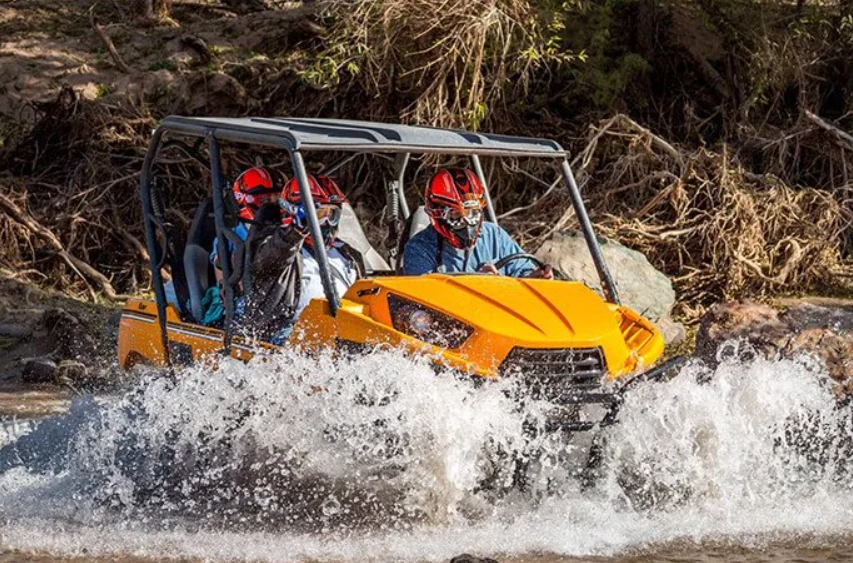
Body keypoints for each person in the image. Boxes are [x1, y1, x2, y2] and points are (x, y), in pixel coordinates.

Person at [242, 173, 361, 343]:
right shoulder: (281, 247)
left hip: (344, 328)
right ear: (297, 211)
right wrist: (295, 232)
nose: (326, 221)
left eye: (332, 214)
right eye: (320, 214)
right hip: (287, 332)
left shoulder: (345, 253)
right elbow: (265, 261)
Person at [402, 168, 553, 278]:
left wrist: (535, 276)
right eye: (456, 215)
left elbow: (521, 267)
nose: (468, 222)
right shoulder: (419, 250)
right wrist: (476, 283)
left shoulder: (494, 235)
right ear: (438, 214)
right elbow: (425, 302)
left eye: (472, 213)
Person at [202, 166, 283, 325]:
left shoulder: (287, 234)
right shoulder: (230, 237)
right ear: (244, 200)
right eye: (265, 201)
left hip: (285, 301)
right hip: (245, 308)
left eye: (278, 200)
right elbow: (227, 281)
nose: (273, 208)